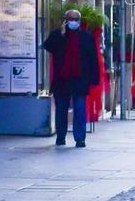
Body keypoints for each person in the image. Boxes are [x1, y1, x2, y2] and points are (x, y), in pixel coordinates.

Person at [43, 9, 100, 148]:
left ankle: (80, 138)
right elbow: (48, 46)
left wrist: (94, 78)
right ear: (65, 20)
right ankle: (61, 136)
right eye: (70, 19)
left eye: (75, 19)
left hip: (79, 79)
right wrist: (61, 34)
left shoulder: (86, 37)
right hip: (62, 79)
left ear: (79, 21)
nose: (73, 21)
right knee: (61, 109)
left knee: (80, 109)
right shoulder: (58, 35)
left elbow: (93, 58)